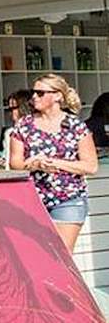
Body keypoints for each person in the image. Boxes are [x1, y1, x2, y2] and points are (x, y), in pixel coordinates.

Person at [9, 74, 99, 252]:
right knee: (36, 253)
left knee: (61, 254)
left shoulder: (75, 126)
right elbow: (15, 163)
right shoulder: (24, 125)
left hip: (68, 198)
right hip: (32, 198)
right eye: (33, 92)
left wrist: (55, 163)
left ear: (57, 96)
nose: (34, 97)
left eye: (40, 93)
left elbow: (91, 166)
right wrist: (33, 164)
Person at [0, 89, 34, 167]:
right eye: (9, 109)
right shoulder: (9, 132)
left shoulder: (36, 131)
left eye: (13, 108)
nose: (10, 113)